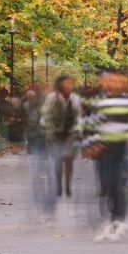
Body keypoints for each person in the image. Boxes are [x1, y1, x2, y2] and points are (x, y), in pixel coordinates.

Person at [82, 69, 128, 242]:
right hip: (103, 149)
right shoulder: (100, 102)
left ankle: (119, 219)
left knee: (118, 183)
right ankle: (111, 217)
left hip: (123, 148)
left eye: (116, 80)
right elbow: (89, 125)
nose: (111, 83)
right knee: (105, 184)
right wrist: (90, 145)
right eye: (109, 80)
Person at [40, 75, 82, 203]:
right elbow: (45, 115)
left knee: (68, 158)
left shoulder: (75, 98)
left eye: (71, 83)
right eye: (66, 83)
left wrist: (78, 130)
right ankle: (59, 185)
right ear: (60, 84)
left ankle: (68, 185)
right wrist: (48, 131)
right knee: (57, 160)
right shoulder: (51, 98)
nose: (69, 85)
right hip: (55, 134)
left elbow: (79, 116)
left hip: (70, 133)